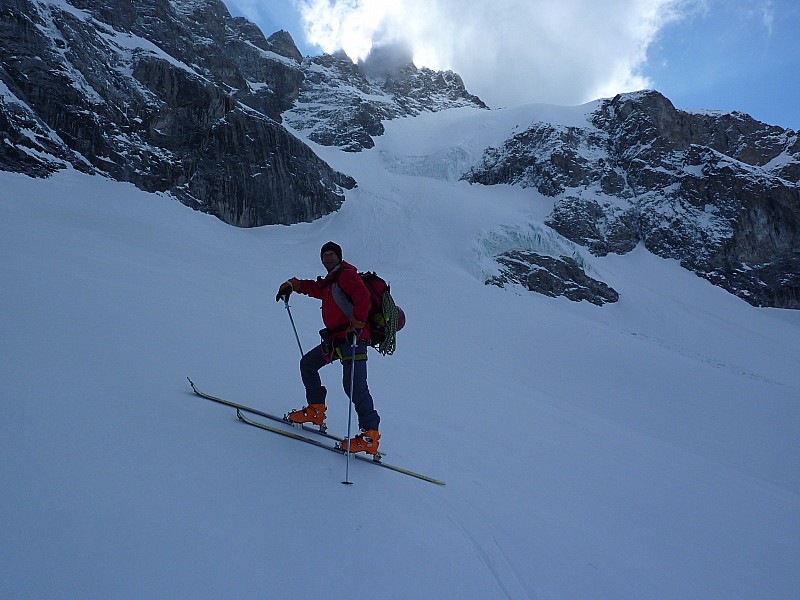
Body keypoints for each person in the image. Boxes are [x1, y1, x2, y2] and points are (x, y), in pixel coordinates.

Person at [275, 242, 380, 455]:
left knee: (354, 386)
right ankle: (316, 410)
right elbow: (313, 288)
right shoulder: (331, 282)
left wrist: (357, 325)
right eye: (325, 255)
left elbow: (363, 298)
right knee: (308, 364)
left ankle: (370, 436)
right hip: (337, 341)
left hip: (354, 339)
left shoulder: (347, 276)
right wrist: (293, 284)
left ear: (339, 257)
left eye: (332, 254)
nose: (328, 257)